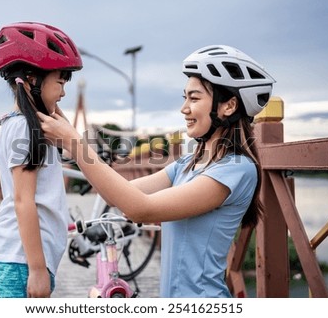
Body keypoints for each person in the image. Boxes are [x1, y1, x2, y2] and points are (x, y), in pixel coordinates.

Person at [37, 45, 275, 297]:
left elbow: (140, 208)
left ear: (229, 106)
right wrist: (67, 132)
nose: (184, 108)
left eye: (194, 98)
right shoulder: (187, 164)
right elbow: (118, 195)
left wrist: (75, 143)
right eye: (184, 97)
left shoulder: (236, 170)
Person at [0, 22, 82, 298]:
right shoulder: (23, 129)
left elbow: (71, 138)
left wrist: (52, 108)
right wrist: (38, 269)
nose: (64, 92)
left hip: (26, 258)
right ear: (31, 79)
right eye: (61, 82)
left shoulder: (28, 125)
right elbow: (23, 201)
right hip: (24, 261)